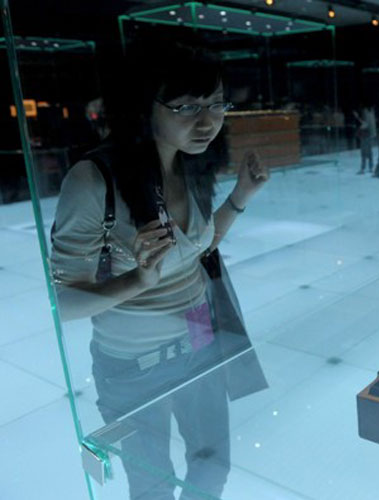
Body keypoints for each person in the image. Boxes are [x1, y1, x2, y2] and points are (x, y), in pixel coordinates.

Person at [50, 43, 268, 500]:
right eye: (186, 106)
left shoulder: (193, 163)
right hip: (131, 368)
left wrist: (241, 196)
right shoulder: (93, 181)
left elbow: (197, 248)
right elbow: (64, 305)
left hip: (200, 347)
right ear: (143, 104)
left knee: (211, 469)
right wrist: (137, 281)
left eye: (215, 104)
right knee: (151, 487)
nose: (206, 121)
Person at [353, 104, 375, 174]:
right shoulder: (369, 114)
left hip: (366, 136)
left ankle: (366, 168)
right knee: (366, 153)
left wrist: (357, 117)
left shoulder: (367, 115)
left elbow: (365, 124)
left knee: (366, 153)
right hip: (366, 136)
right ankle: (368, 168)